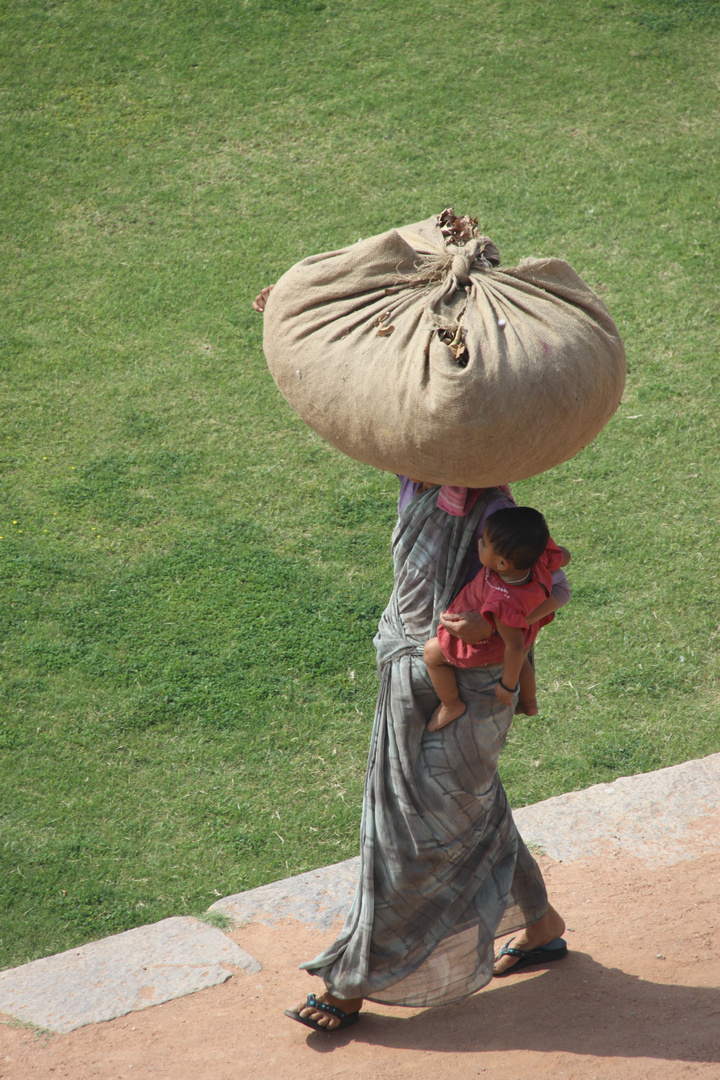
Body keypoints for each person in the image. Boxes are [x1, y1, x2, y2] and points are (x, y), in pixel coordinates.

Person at [253, 288, 569, 1034]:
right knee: (468, 805)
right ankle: (542, 923)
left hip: (470, 685)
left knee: (406, 827)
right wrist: (289, 316)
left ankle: (354, 979)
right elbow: (345, 391)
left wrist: (487, 630)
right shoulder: (413, 471)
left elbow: (549, 589)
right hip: (411, 665)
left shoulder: (494, 510)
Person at [423, 506, 571, 731]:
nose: (479, 543)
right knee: (522, 658)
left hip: (499, 641)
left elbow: (513, 645)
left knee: (432, 653)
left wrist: (507, 686)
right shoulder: (538, 558)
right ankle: (529, 703)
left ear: (502, 564)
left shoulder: (501, 603)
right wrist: (560, 554)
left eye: (483, 542)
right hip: (524, 629)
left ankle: (451, 704)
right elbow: (564, 556)